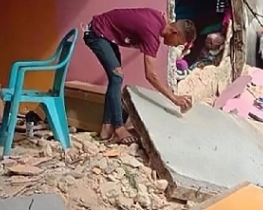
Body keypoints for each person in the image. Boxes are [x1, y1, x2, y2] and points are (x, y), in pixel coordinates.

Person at [84, 8, 197, 145]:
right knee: (117, 76)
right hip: (96, 32)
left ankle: (106, 128)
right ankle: (119, 128)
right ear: (174, 32)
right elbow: (150, 75)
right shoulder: (151, 34)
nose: (174, 46)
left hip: (106, 35)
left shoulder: (159, 22)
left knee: (115, 77)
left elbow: (160, 17)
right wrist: (174, 98)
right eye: (178, 42)